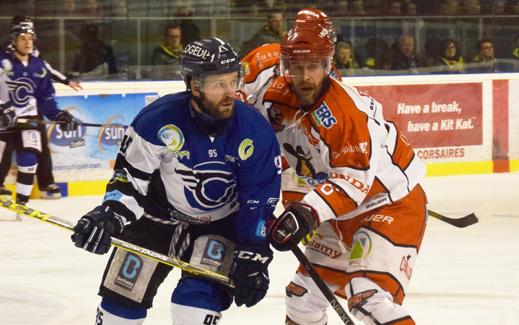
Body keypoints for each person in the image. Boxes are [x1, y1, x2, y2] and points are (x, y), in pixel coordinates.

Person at [70, 37, 281, 324]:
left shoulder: (254, 131)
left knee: (193, 309)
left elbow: (258, 199)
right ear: (194, 85)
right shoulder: (157, 120)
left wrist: (253, 252)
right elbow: (130, 180)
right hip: (156, 218)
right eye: (219, 84)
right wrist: (110, 215)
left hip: (220, 223)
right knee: (118, 311)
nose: (230, 91)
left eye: (234, 81)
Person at [249, 25, 427, 324]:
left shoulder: (345, 113)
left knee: (368, 299)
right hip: (336, 215)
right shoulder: (273, 99)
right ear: (284, 67)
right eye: (297, 67)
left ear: (328, 66)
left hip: (389, 205)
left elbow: (350, 182)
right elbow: (285, 162)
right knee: (301, 299)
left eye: (314, 67)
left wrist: (304, 214)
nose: (305, 77)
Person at [0, 22, 80, 219]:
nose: (27, 42)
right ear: (14, 41)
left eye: (30, 39)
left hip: (29, 121)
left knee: (30, 159)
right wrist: (3, 107)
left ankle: (21, 204)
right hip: (3, 120)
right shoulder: (2, 62)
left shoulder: (40, 66)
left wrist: (59, 115)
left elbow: (47, 99)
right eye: (22, 38)